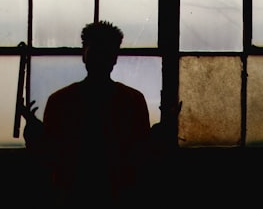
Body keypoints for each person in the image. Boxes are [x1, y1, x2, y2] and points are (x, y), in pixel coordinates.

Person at [20, 21, 175, 205]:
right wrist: (165, 127)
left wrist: (33, 128)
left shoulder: (61, 100)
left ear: (84, 55)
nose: (101, 58)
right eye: (98, 51)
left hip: (73, 194)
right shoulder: (132, 100)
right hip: (118, 194)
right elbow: (143, 152)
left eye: (106, 52)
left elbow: (49, 154)